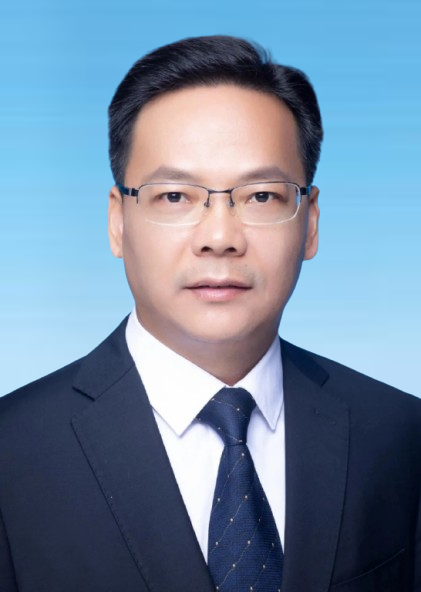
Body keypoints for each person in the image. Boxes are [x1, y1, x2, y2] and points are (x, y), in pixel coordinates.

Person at [0, 35, 419, 592]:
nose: (219, 237)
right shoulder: (13, 451)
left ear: (310, 222)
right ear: (118, 223)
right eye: (175, 196)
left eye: (261, 196)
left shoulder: (398, 434)